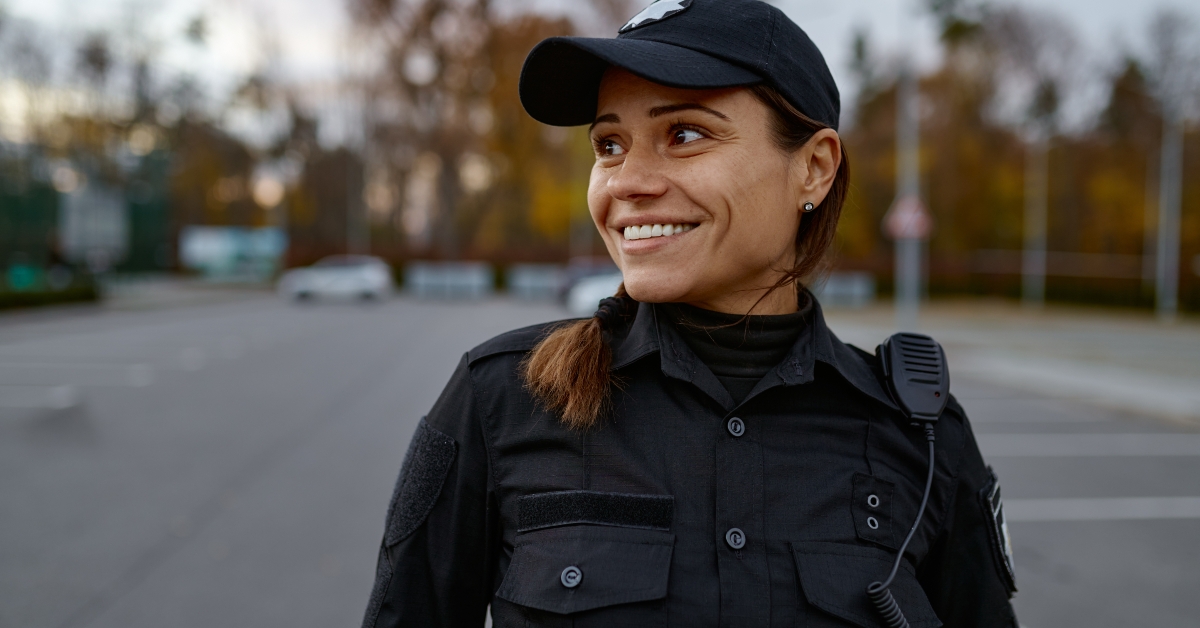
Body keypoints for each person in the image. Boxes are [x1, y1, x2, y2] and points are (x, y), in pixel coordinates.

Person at [362, 0, 1019, 626]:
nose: (626, 182)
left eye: (684, 134)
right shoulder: (498, 399)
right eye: (610, 145)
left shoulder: (923, 435)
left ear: (814, 168)